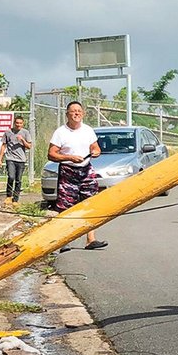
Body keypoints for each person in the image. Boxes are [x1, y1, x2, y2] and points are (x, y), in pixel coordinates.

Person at [48, 101, 108, 250]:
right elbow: (51, 154)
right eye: (73, 111)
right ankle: (64, 241)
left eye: (79, 111)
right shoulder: (60, 132)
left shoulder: (88, 130)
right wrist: (69, 157)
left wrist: (96, 152)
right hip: (68, 171)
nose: (76, 114)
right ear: (67, 114)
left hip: (86, 170)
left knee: (91, 204)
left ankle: (91, 239)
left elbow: (96, 148)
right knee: (65, 207)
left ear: (83, 113)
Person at [0, 115, 32, 206]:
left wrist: (23, 140)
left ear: (23, 124)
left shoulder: (25, 133)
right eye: (17, 123)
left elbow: (29, 146)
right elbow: (3, 145)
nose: (18, 125)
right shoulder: (8, 132)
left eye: (20, 123)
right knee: (11, 177)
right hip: (10, 158)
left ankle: (15, 200)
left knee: (18, 180)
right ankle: (9, 196)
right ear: (14, 123)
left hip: (21, 160)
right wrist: (0, 159)